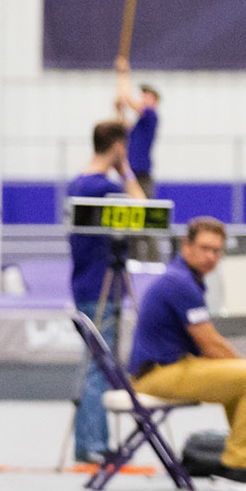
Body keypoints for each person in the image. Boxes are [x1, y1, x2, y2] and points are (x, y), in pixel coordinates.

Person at [128, 216, 246, 491]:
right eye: (205, 248)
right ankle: (238, 467)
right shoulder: (180, 283)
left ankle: (242, 460)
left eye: (217, 251)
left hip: (170, 368)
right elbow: (211, 345)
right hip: (157, 375)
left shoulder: (186, 279)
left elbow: (211, 348)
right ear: (186, 246)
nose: (211, 256)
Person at [69, 119, 145, 465]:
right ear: (117, 147)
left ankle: (92, 441)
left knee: (96, 364)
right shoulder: (105, 189)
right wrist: (127, 170)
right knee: (100, 367)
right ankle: (91, 446)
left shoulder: (77, 183)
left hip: (86, 281)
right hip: (102, 285)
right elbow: (143, 212)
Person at [112, 56, 161, 197]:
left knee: (145, 205)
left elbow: (128, 100)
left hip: (141, 173)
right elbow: (122, 125)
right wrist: (119, 109)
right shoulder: (138, 126)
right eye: (143, 96)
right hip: (129, 172)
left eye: (148, 97)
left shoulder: (151, 116)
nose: (143, 99)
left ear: (156, 101)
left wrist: (123, 74)